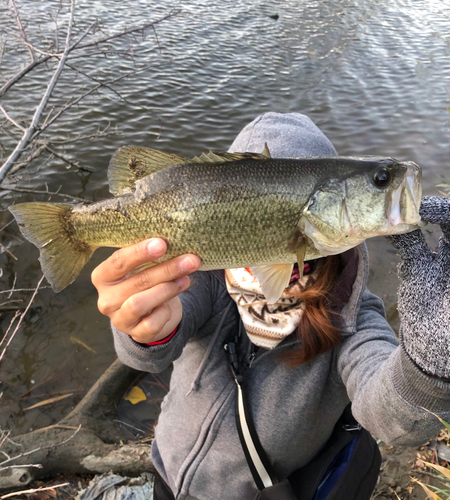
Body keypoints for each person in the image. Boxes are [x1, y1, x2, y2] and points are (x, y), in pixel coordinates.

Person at [91, 113, 450, 500]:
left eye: (379, 179)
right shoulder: (199, 280)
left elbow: (399, 421)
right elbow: (145, 357)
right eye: (381, 179)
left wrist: (430, 361)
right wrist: (142, 328)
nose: (392, 181)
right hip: (169, 475)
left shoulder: (352, 318)